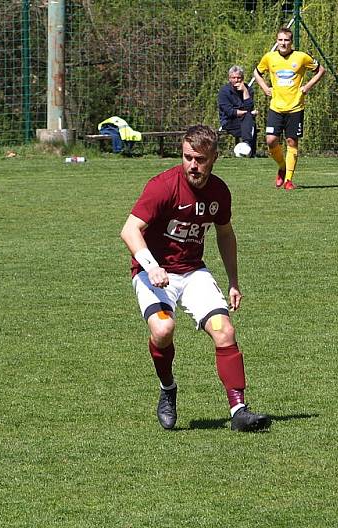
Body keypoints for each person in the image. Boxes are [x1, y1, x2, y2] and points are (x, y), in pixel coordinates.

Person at [120, 124, 271, 433]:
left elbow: (225, 234)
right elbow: (129, 230)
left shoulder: (219, 191)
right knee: (163, 329)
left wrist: (233, 281)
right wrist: (151, 266)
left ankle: (239, 410)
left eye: (200, 159)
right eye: (188, 157)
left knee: (224, 330)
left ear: (214, 157)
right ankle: (168, 388)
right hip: (155, 271)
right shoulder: (162, 186)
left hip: (192, 272)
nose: (193, 165)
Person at [253, 26, 325, 190]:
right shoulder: (269, 58)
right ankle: (282, 166)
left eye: (286, 40)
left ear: (291, 42)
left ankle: (288, 180)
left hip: (295, 107)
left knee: (291, 142)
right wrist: (265, 87)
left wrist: (308, 86)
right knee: (271, 140)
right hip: (276, 107)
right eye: (280, 40)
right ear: (276, 41)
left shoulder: (301, 57)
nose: (283, 43)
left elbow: (321, 70)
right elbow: (256, 72)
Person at [218, 65, 258, 157]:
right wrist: (247, 113)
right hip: (229, 122)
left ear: (242, 78)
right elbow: (229, 112)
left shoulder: (248, 90)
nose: (236, 80)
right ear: (229, 78)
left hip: (244, 121)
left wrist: (244, 91)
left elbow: (249, 107)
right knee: (250, 121)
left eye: (239, 78)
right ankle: (248, 148)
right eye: (233, 78)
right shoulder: (224, 91)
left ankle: (246, 148)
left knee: (249, 120)